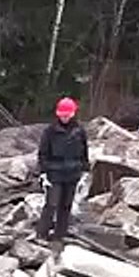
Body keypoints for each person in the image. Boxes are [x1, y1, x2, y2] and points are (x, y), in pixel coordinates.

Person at [37, 97, 89, 242]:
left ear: (73, 114)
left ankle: (60, 235)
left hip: (73, 173)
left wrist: (85, 170)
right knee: (51, 204)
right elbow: (43, 153)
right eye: (62, 115)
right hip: (54, 173)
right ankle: (42, 234)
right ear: (58, 114)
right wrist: (42, 173)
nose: (64, 118)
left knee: (66, 205)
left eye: (67, 115)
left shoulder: (80, 131)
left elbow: (84, 151)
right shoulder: (50, 131)